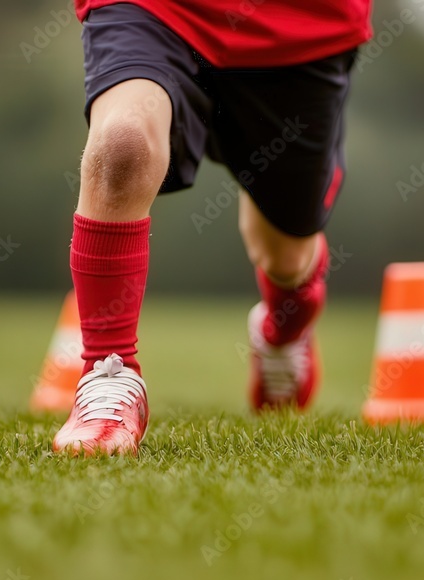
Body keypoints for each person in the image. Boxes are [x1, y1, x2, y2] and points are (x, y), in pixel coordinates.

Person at [53, 0, 373, 455]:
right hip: (160, 9)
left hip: (298, 25)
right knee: (122, 141)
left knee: (286, 258)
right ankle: (109, 374)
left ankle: (282, 329)